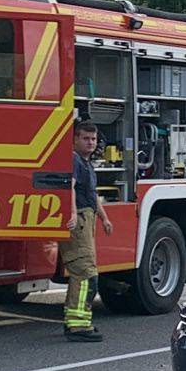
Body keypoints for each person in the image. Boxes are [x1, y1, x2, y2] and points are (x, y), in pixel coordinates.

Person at [63, 120, 114, 341]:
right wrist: (72, 213)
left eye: (93, 139)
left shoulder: (86, 163)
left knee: (83, 273)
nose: (91, 143)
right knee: (85, 274)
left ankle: (73, 322)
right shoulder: (74, 160)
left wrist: (104, 218)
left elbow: (92, 195)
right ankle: (79, 326)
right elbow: (69, 186)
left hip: (88, 218)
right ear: (75, 140)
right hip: (80, 221)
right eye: (85, 138)